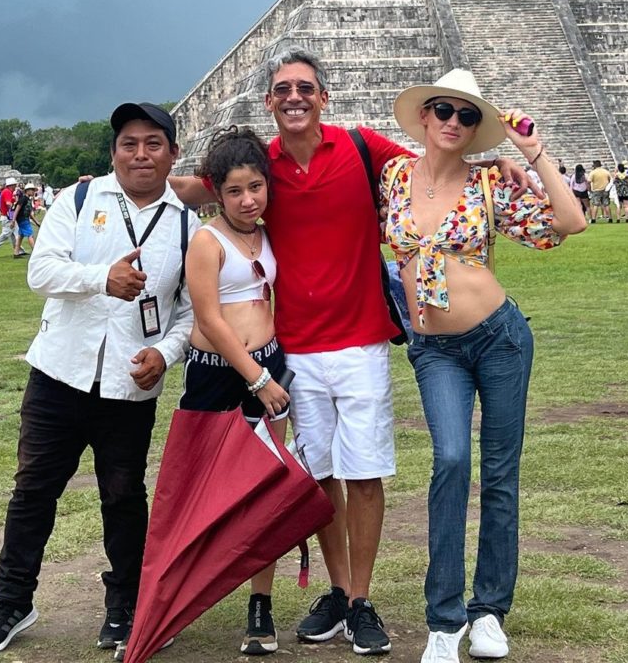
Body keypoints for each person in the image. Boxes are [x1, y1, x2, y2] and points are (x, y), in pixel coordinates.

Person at [167, 47, 531, 657]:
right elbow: (191, 186)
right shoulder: (259, 168)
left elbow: (436, 164)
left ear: (323, 97)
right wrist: (121, 184)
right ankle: (336, 592)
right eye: (282, 89)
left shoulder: (363, 149)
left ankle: (361, 599)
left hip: (361, 341)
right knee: (320, 478)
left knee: (364, 475)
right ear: (268, 102)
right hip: (299, 352)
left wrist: (495, 162)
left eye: (305, 88)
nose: (294, 98)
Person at [0, 102, 200, 658]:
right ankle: (12, 602)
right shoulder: (79, 200)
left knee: (123, 495)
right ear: (113, 151)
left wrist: (165, 353)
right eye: (128, 143)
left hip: (129, 379)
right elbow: (40, 271)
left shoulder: (189, 226)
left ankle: (124, 605)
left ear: (172, 154)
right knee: (33, 491)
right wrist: (103, 278)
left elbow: (192, 312)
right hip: (60, 370)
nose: (140, 154)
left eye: (152, 143)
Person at [381, 71, 586, 662]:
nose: (453, 121)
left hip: (498, 339)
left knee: (499, 472)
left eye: (467, 116)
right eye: (443, 109)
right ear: (424, 117)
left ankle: (489, 609)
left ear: (476, 132)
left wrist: (534, 153)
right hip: (433, 349)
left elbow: (570, 224)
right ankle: (444, 620)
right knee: (449, 460)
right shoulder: (394, 178)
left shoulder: (490, 185)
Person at [181, 126, 289, 656]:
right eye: (234, 191)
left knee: (262, 490)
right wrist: (259, 379)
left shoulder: (268, 233)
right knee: (195, 488)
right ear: (216, 193)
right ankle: (174, 597)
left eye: (255, 187)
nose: (248, 200)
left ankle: (260, 605)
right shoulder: (207, 239)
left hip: (268, 364)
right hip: (220, 371)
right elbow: (210, 318)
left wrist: (270, 373)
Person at [13, 181, 38, 257]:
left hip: (24, 219)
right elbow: (17, 208)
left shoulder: (28, 200)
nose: (34, 192)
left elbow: (29, 213)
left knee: (21, 236)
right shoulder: (23, 199)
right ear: (28, 191)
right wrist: (13, 220)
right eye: (32, 190)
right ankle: (35, 252)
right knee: (30, 234)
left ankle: (16, 253)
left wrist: (36, 222)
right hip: (22, 219)